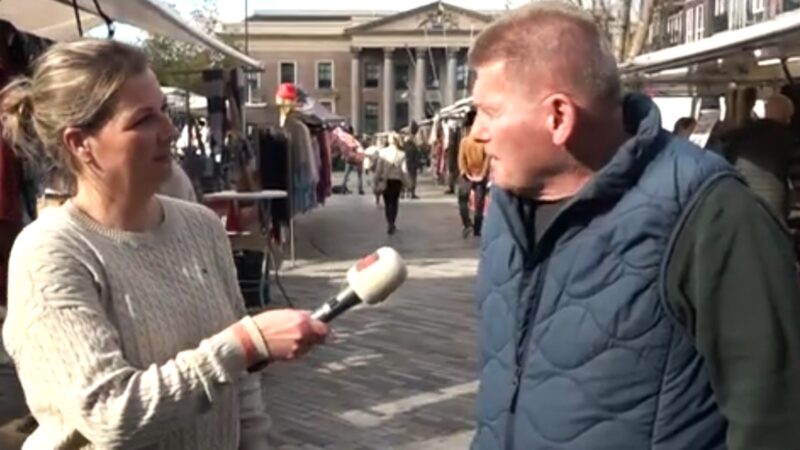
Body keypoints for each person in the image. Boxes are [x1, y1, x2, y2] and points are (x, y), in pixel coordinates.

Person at [469, 3, 800, 450]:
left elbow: (776, 417)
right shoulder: (506, 213)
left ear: (558, 117)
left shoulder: (711, 214)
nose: (476, 133)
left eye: (489, 111)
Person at [0, 39, 329, 450]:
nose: (169, 130)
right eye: (143, 120)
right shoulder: (50, 253)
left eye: (163, 111)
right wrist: (245, 344)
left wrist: (254, 440)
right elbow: (109, 415)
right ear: (79, 143)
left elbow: (240, 386)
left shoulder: (201, 226)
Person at [722, 93, 800, 221]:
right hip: (772, 207)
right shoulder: (789, 140)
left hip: (738, 203)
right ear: (787, 116)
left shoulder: (738, 136)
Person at [457, 109, 490, 238]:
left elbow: (461, 159)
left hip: (467, 175)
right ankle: (477, 228)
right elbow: (488, 159)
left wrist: (465, 172)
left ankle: (467, 224)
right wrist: (482, 174)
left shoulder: (465, 142)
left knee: (462, 200)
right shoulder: (484, 142)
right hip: (480, 175)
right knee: (479, 204)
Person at [374, 132, 408, 235]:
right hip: (396, 181)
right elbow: (404, 170)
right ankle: (392, 222)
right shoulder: (402, 154)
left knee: (387, 203)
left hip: (386, 180)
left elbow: (379, 169)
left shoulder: (383, 153)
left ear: (389, 141)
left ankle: (389, 222)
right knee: (394, 203)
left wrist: (375, 180)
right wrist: (406, 183)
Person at [403, 122, 422, 199]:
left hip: (409, 160)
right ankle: (411, 193)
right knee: (412, 177)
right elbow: (415, 150)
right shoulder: (412, 139)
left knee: (409, 177)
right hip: (412, 160)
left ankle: (409, 192)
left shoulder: (408, 139)